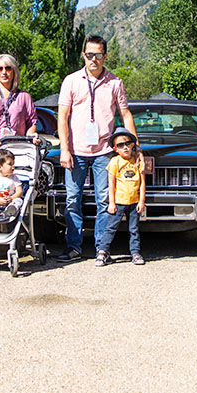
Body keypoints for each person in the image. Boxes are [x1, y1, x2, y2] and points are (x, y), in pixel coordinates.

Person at [56, 35, 137, 262]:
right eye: (89, 55)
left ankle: (102, 248)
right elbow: (62, 116)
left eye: (98, 55)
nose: (93, 59)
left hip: (104, 152)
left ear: (105, 56)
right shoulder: (71, 81)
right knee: (73, 199)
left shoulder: (115, 82)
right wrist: (64, 148)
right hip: (76, 151)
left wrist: (135, 145)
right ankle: (74, 247)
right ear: (84, 55)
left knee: (104, 200)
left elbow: (125, 114)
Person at [95, 128, 146, 267]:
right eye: (120, 145)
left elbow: (142, 183)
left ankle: (135, 253)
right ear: (115, 148)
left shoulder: (137, 161)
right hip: (118, 201)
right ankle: (102, 252)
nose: (125, 147)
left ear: (132, 145)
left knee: (133, 229)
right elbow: (111, 184)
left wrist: (141, 201)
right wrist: (111, 202)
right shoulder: (115, 162)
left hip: (134, 202)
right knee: (110, 228)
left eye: (128, 143)